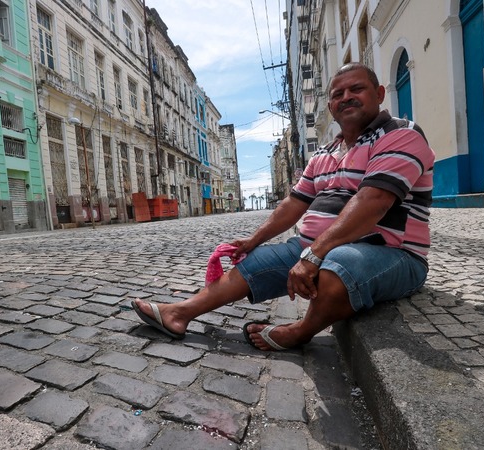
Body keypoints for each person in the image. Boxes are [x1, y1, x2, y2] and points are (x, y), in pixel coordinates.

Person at [132, 63, 435, 351]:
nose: (346, 98)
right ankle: (180, 313)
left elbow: (374, 201)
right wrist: (254, 240)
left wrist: (314, 255)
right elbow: (293, 203)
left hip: (394, 256)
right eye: (337, 94)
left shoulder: (400, 135)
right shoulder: (324, 154)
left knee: (338, 263)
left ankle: (301, 331)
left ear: (380, 94)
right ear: (330, 107)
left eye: (357, 89)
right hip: (315, 247)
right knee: (258, 260)